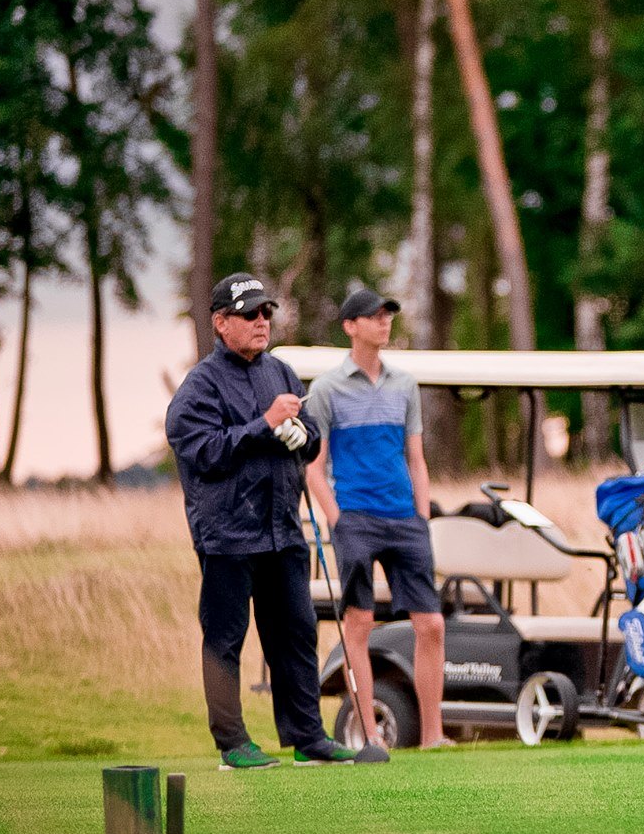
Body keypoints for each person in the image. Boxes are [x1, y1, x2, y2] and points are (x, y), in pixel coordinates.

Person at [165, 273, 357, 769]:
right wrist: (264, 425)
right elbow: (201, 452)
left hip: (282, 529)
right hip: (227, 534)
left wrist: (304, 438)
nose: (261, 321)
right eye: (249, 313)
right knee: (225, 640)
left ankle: (307, 738)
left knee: (296, 633)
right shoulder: (200, 386)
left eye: (266, 312)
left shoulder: (281, 373)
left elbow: (310, 438)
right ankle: (232, 744)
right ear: (220, 322)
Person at [304, 288, 449, 750]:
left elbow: (416, 460)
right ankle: (369, 736)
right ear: (350, 326)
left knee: (432, 625)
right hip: (356, 520)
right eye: (374, 316)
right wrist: (338, 520)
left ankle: (433, 736)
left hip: (405, 519)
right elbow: (313, 468)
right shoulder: (325, 389)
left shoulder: (404, 385)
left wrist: (421, 517)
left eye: (387, 315)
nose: (384, 322)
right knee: (359, 625)